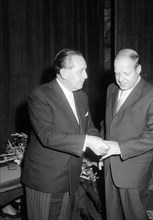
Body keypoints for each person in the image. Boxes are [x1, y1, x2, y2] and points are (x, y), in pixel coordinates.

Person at [21, 49, 109, 220]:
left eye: (85, 70)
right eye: (80, 71)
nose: (86, 76)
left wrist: (101, 144)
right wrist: (88, 141)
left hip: (71, 179)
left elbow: (88, 127)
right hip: (46, 181)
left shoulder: (81, 97)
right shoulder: (40, 95)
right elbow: (48, 135)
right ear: (63, 73)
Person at [101, 48, 153, 220]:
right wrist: (101, 148)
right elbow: (108, 123)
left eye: (126, 73)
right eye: (116, 73)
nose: (120, 79)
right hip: (109, 163)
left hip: (133, 167)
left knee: (134, 214)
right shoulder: (111, 89)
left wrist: (119, 148)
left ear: (138, 69)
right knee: (111, 213)